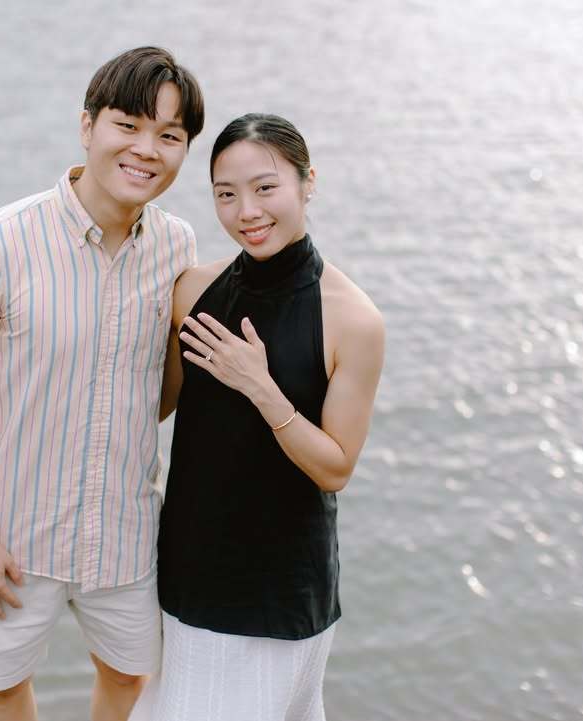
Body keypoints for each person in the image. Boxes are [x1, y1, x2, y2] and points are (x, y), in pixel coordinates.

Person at [0, 47, 204, 721]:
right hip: (14, 535)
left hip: (125, 533)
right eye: (127, 125)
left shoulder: (178, 247)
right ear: (87, 126)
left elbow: (158, 392)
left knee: (130, 677)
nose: (146, 150)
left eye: (169, 135)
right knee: (3, 685)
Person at [132, 114, 386, 721]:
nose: (246, 211)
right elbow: (149, 407)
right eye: (226, 194)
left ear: (307, 182)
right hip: (188, 574)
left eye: (265, 188)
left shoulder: (353, 319)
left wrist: (261, 389)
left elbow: (335, 469)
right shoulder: (192, 291)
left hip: (280, 592)